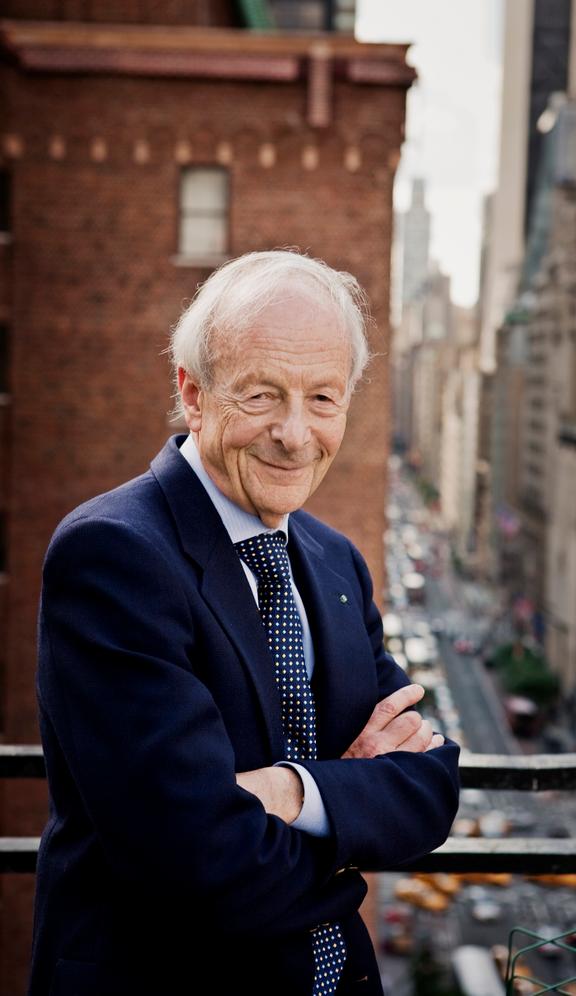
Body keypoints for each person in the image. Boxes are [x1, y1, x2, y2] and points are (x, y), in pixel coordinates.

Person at [29, 250, 460, 996]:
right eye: (263, 396)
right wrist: (349, 838)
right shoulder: (113, 556)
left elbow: (429, 786)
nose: (296, 434)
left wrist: (290, 793)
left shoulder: (335, 562)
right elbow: (198, 862)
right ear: (193, 395)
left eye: (323, 398)